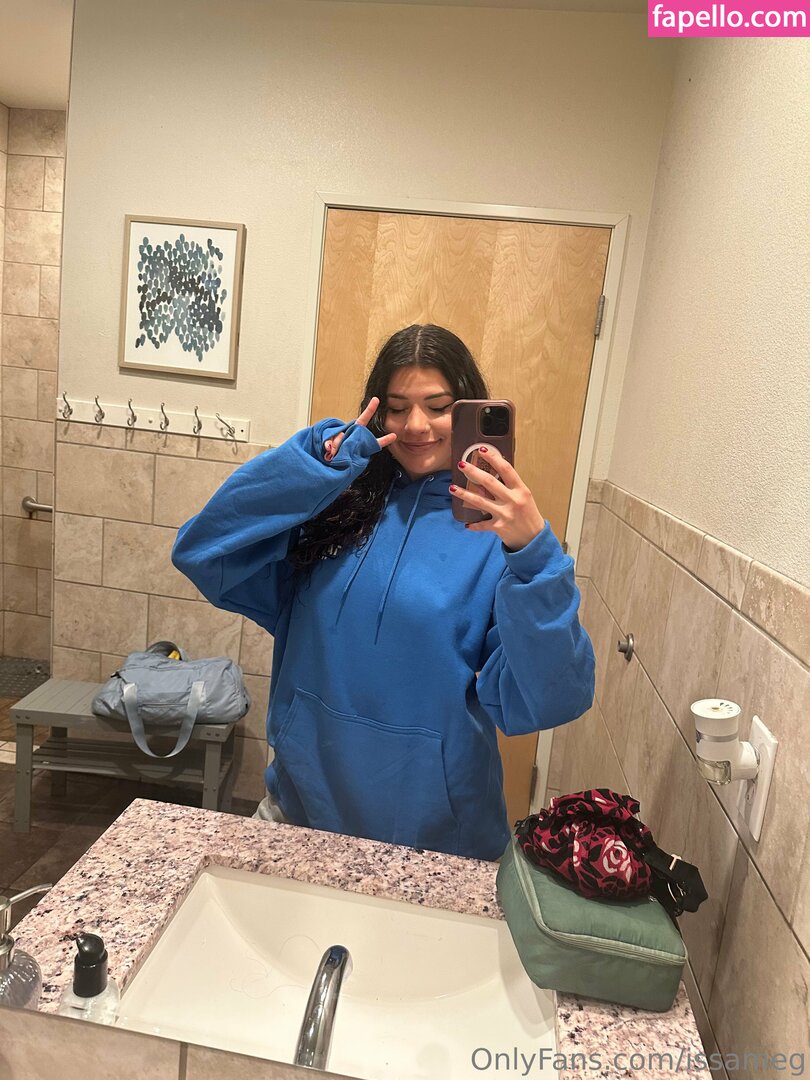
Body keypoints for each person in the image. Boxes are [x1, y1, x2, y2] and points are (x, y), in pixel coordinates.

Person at [172, 324, 594, 861]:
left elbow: (552, 699)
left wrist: (535, 554)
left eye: (438, 407)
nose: (415, 425)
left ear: (467, 410)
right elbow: (202, 551)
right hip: (299, 815)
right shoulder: (333, 505)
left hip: (436, 844)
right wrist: (310, 464)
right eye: (397, 408)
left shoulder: (498, 538)